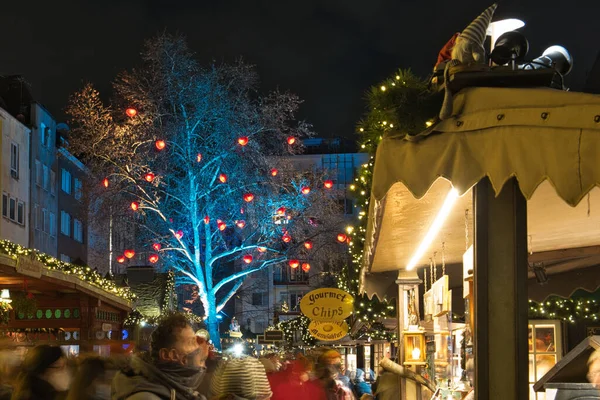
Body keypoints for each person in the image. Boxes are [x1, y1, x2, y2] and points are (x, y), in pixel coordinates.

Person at [112, 313, 209, 400]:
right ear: (168, 355)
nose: (199, 346)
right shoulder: (145, 398)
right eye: (192, 342)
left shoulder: (179, 389)